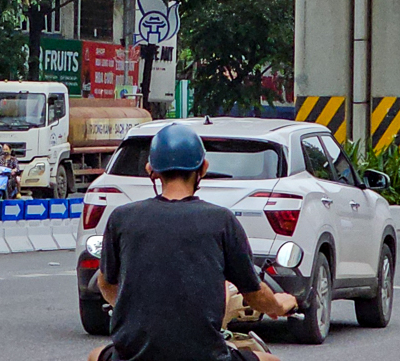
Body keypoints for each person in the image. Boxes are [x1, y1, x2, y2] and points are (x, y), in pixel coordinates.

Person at [89, 123, 297, 361]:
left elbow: (106, 284)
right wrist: (279, 305)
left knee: (95, 355)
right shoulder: (221, 221)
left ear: (151, 169)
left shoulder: (121, 219)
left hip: (134, 355)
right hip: (205, 356)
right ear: (204, 168)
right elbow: (255, 295)